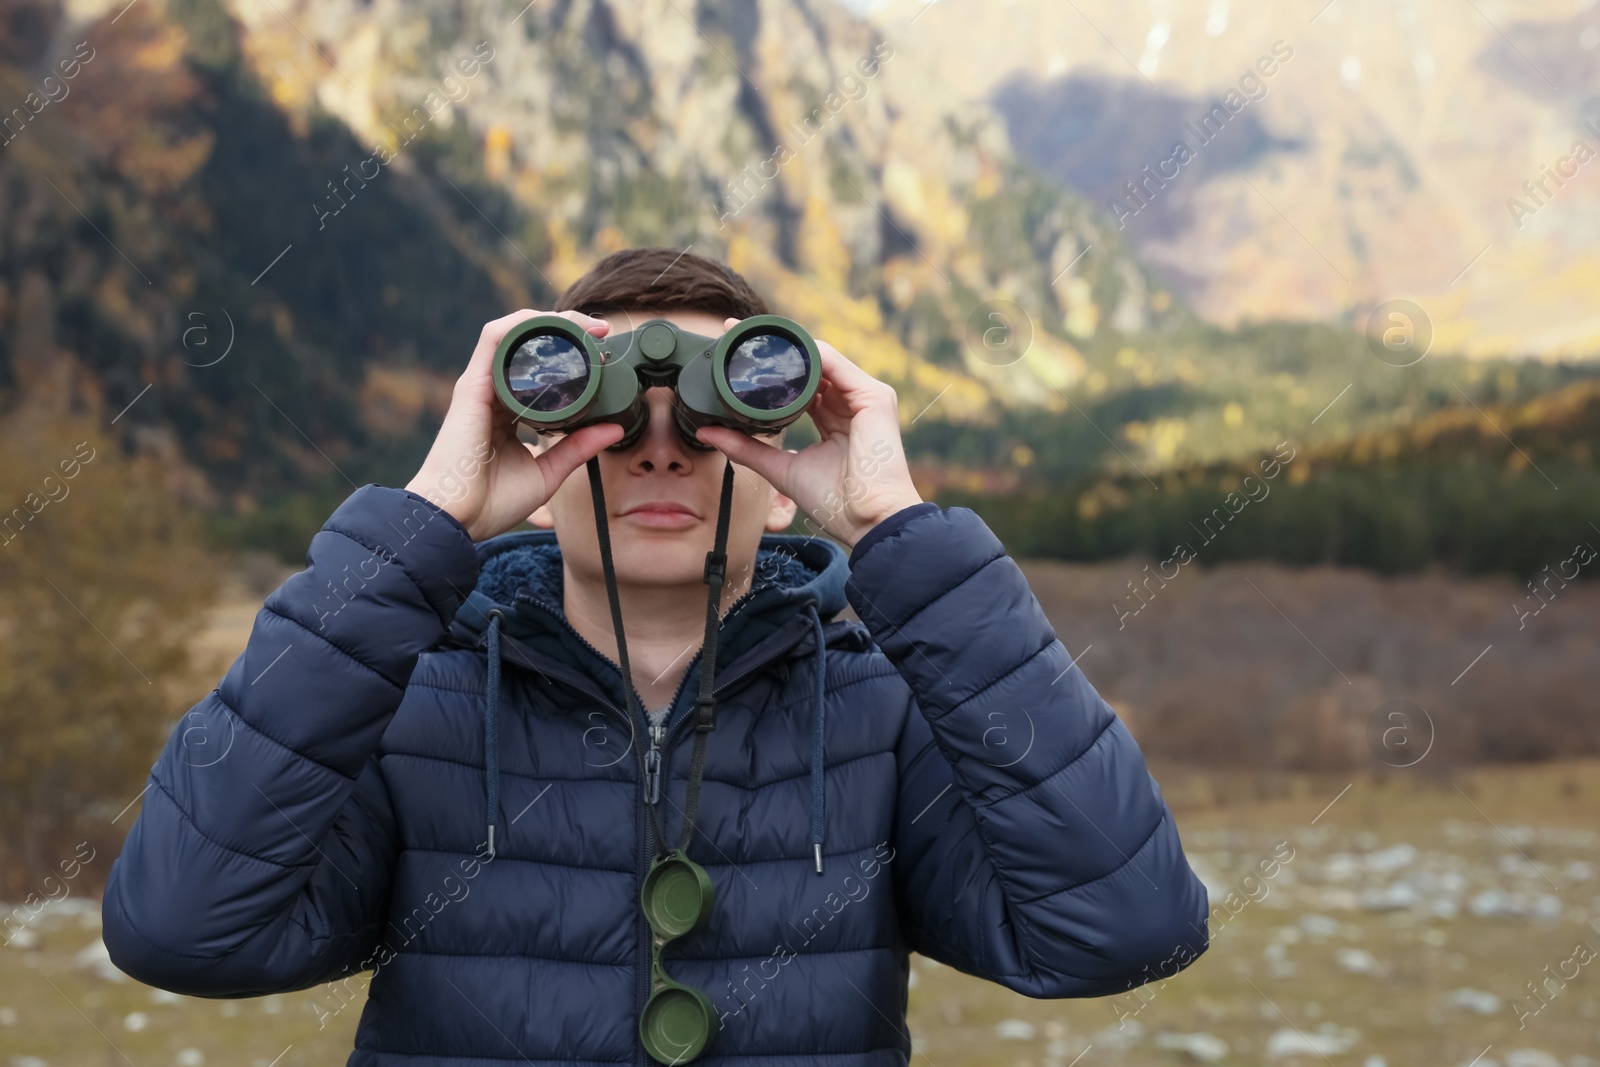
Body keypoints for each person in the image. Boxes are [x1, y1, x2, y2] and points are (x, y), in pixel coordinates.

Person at [101, 247, 1209, 1065]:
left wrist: (895, 533)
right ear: (538, 474)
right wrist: (426, 521)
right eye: (613, 420)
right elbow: (182, 925)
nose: (661, 450)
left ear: (779, 489)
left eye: (716, 421)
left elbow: (1128, 932)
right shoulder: (408, 703)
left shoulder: (884, 710)